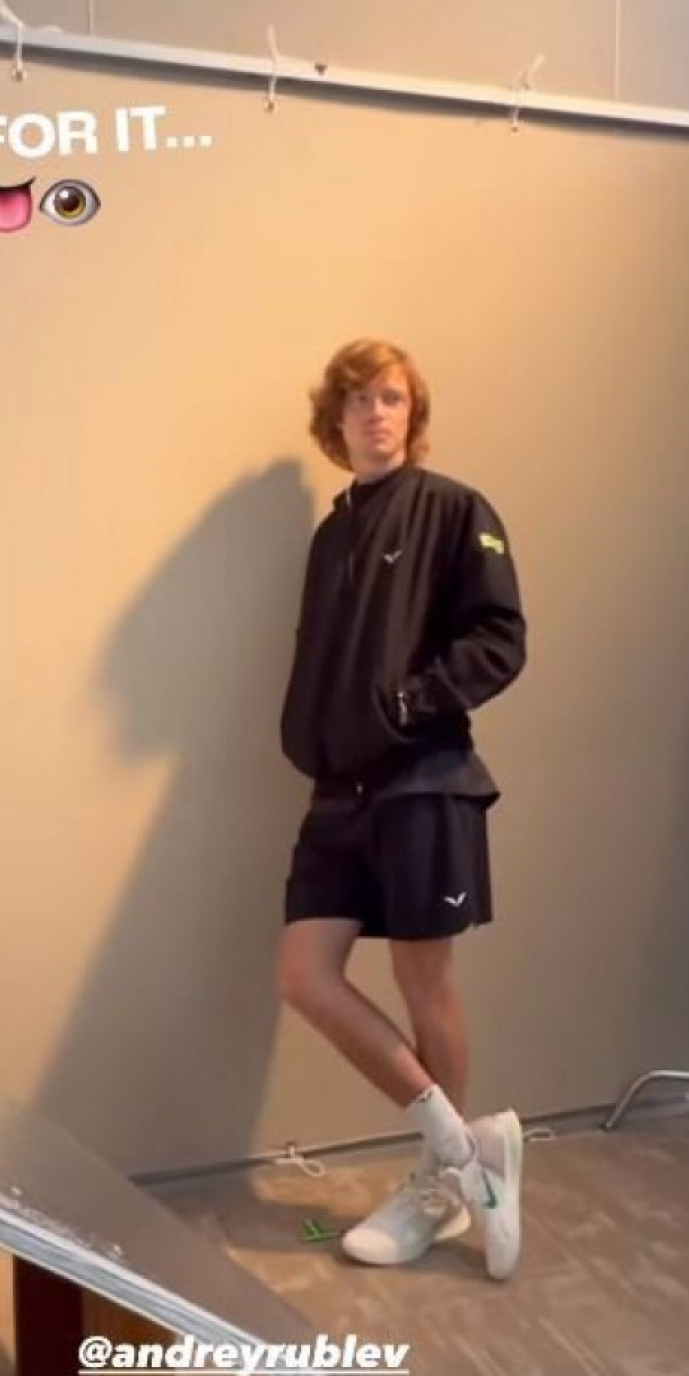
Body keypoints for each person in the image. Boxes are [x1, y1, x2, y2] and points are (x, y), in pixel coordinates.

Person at [276, 338, 527, 1280]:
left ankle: (435, 1192)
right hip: (337, 792)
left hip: (425, 780)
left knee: (426, 984)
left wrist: (409, 705)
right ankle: (468, 1153)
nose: (375, 413)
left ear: (411, 415)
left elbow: (500, 638)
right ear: (334, 420)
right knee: (306, 976)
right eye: (358, 399)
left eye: (391, 397)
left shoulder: (456, 509)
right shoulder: (331, 533)